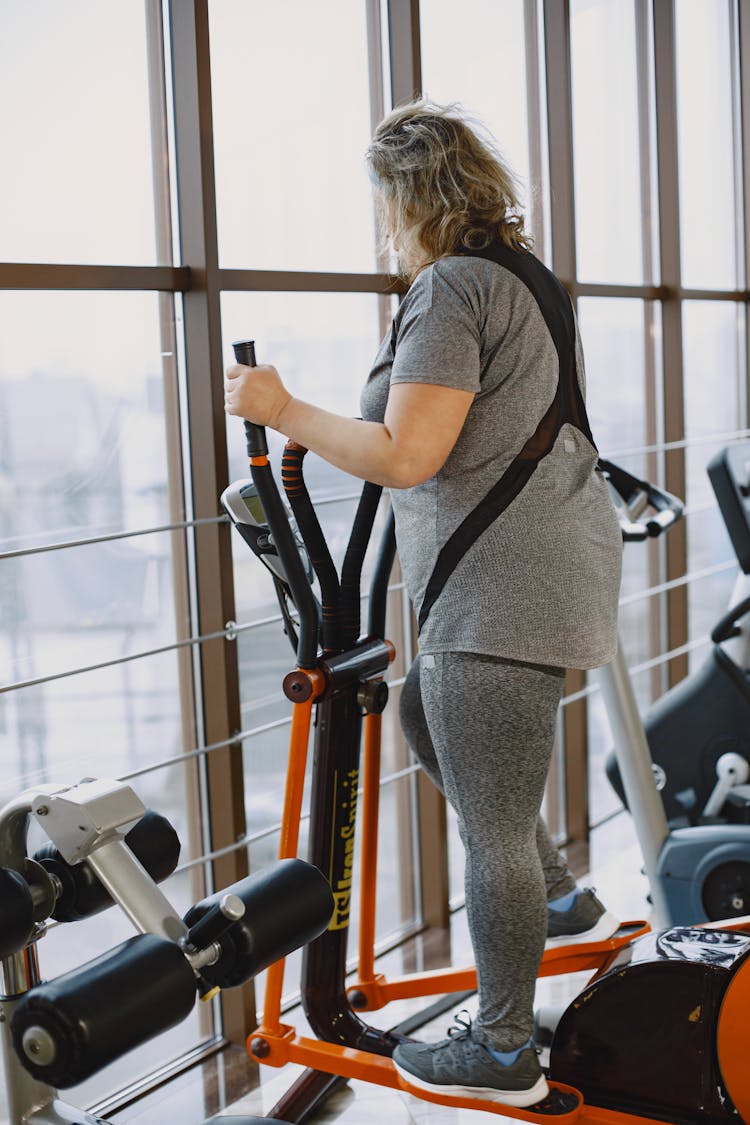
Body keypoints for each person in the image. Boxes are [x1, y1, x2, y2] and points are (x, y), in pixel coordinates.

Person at [224, 98, 622, 1109]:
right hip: (542, 567)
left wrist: (283, 412)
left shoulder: (450, 288)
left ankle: (501, 1050)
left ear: (411, 198)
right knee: (421, 717)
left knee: (489, 827)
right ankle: (562, 896)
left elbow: (408, 455)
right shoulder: (524, 277)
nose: (379, 228)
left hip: (498, 590)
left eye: (383, 205)